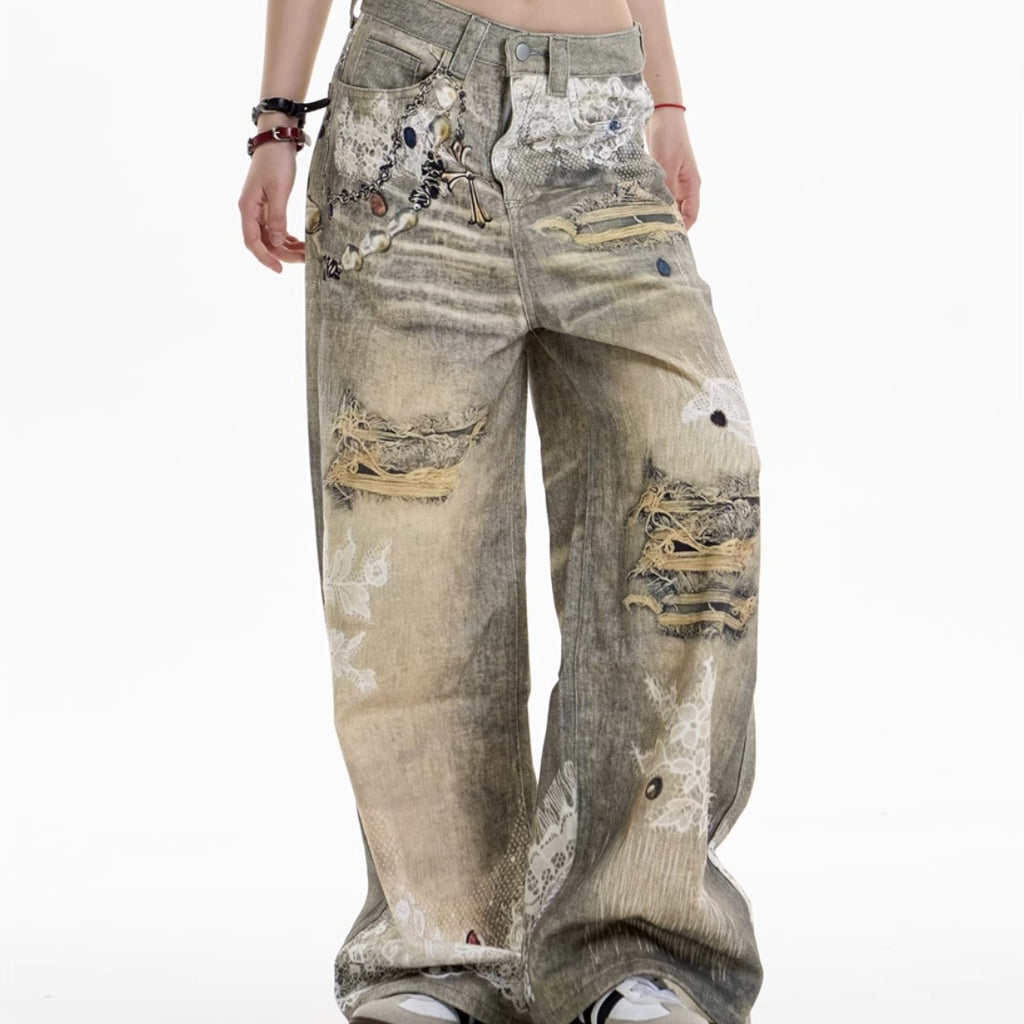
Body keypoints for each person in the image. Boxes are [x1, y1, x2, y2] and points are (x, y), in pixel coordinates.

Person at [238, 2, 764, 1024]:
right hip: (409, 118)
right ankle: (442, 954)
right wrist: (276, 122)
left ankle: (635, 942)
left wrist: (664, 98)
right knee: (411, 550)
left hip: (603, 119)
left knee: (698, 472)